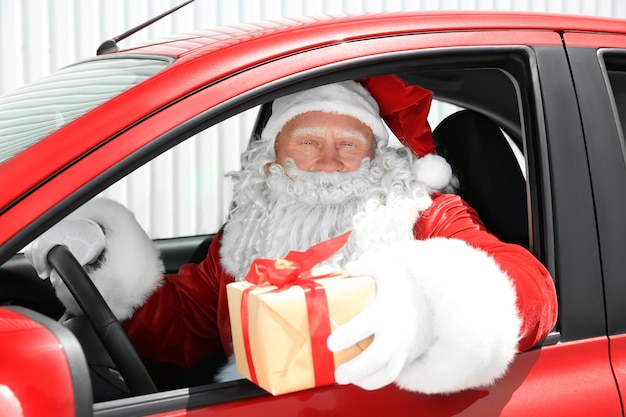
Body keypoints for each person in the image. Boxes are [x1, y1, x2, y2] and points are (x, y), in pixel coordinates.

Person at [25, 75, 557, 394]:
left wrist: (426, 304)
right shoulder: (251, 226)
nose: (329, 162)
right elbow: (190, 322)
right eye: (307, 141)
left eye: (350, 144)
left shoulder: (419, 212)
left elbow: (528, 289)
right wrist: (101, 264)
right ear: (274, 154)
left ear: (376, 154)